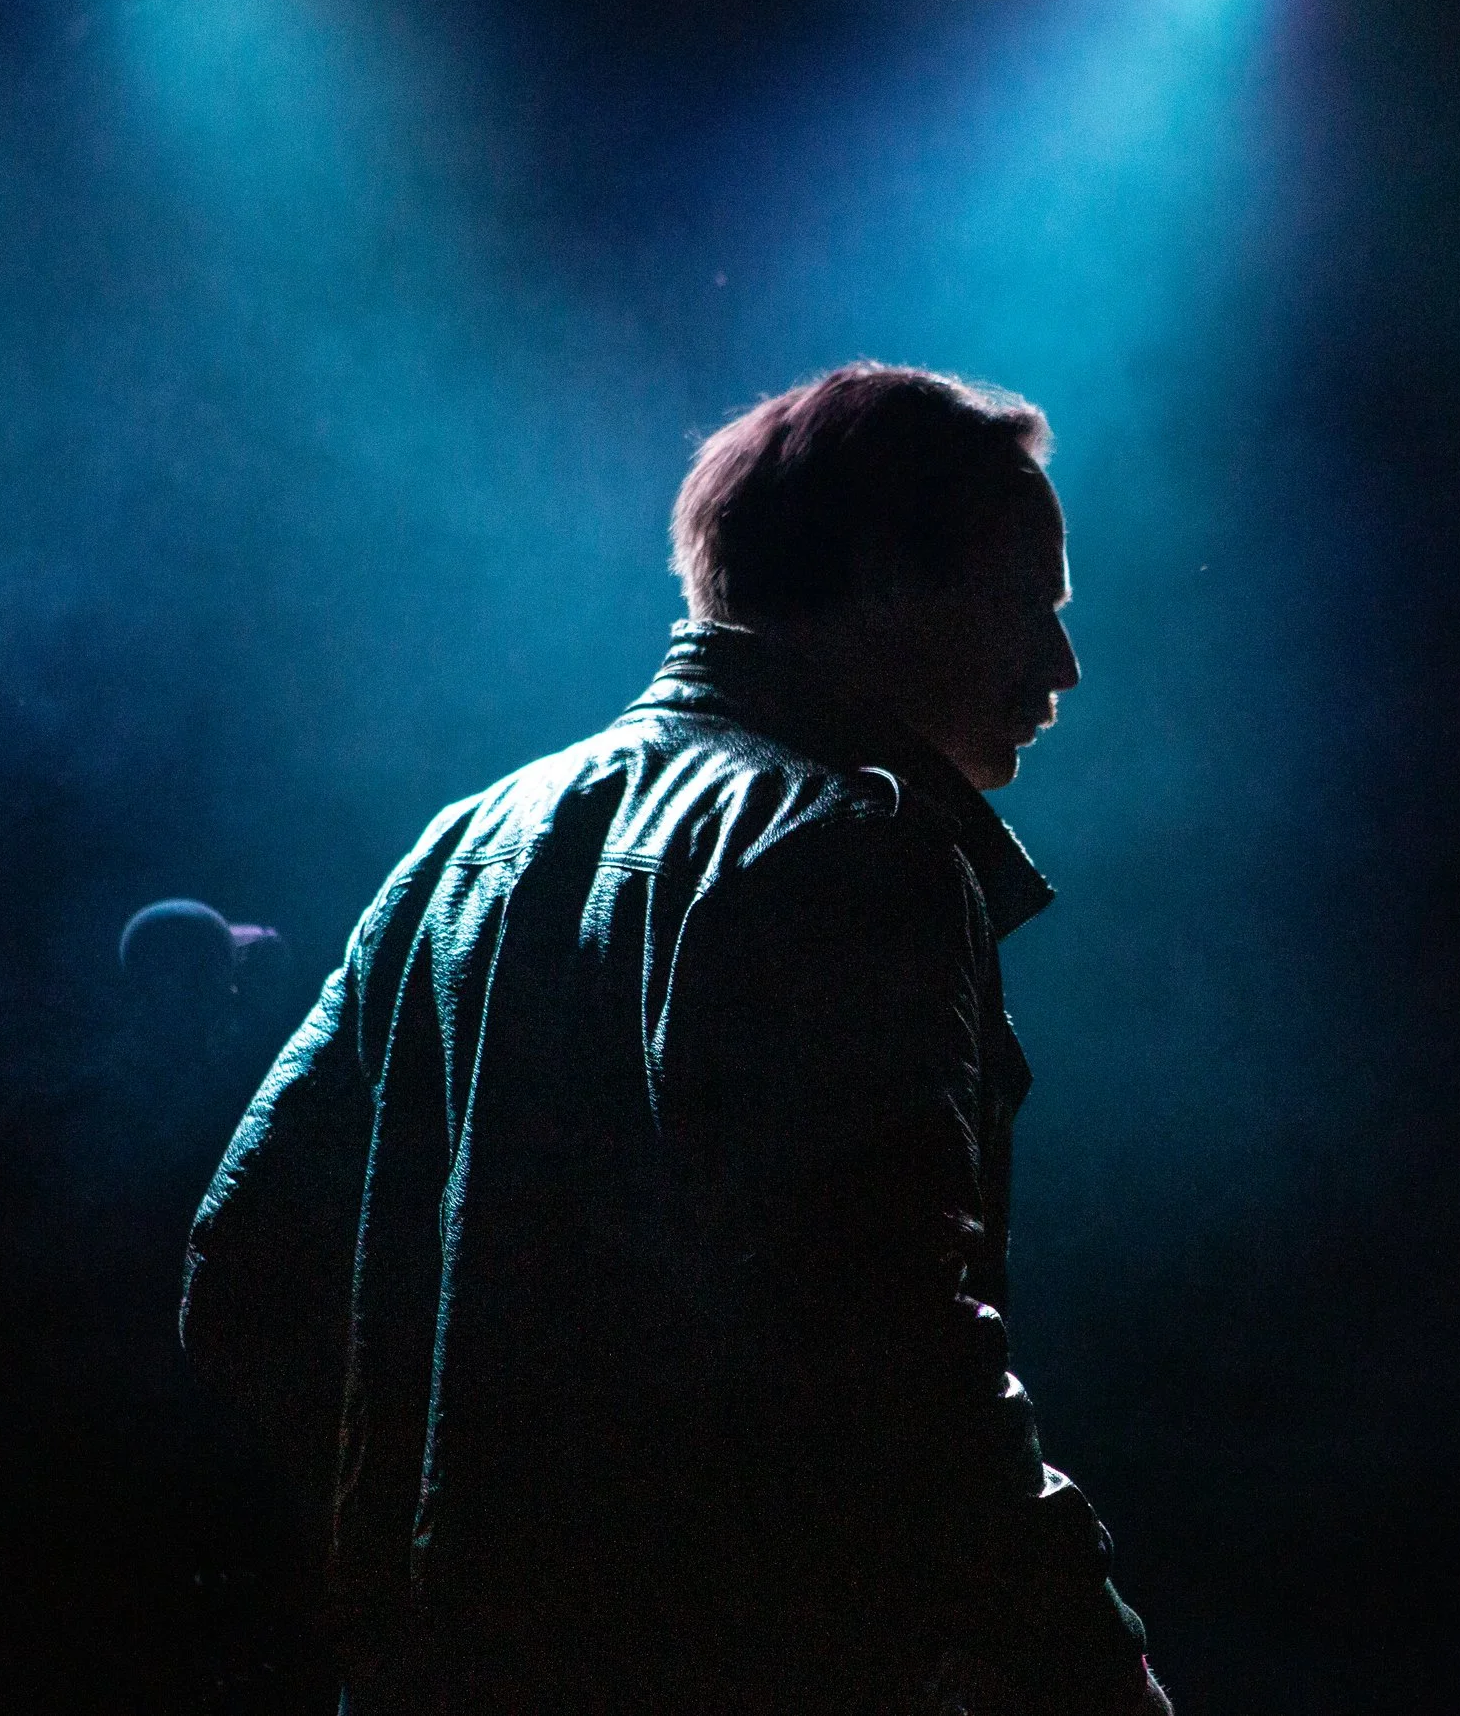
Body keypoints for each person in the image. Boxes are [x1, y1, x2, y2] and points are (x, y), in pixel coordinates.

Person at [181, 364, 1169, 1715]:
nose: (1061, 664)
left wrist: (433, 1552)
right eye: (1027, 605)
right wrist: (1091, 1666)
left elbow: (243, 1271)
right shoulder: (853, 847)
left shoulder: (463, 848)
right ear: (883, 575)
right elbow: (893, 1347)